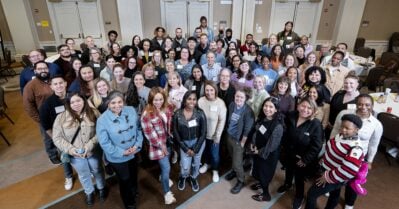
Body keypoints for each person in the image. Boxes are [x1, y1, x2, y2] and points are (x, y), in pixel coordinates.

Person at [329, 94, 383, 209]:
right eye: (360, 104)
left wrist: (370, 161)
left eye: (367, 105)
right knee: (337, 177)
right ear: (356, 104)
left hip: (358, 158)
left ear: (372, 106)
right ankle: (333, 199)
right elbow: (334, 131)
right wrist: (330, 148)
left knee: (352, 182)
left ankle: (349, 203)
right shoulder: (344, 114)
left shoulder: (376, 124)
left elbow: (374, 144)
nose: (363, 107)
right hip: (339, 153)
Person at [53, 93, 106, 206]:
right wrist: (71, 150)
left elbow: (102, 130)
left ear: (84, 101)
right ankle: (89, 192)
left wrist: (89, 145)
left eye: (78, 101)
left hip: (93, 151)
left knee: (97, 170)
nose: (76, 104)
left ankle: (101, 188)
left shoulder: (94, 112)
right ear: (68, 104)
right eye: (72, 102)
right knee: (83, 173)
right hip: (75, 155)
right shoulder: (61, 117)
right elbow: (57, 138)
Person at [304, 114, 364, 209]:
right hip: (328, 170)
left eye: (347, 128)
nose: (343, 130)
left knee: (312, 194)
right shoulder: (341, 136)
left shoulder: (355, 148)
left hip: (335, 176)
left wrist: (328, 177)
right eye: (342, 126)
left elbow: (349, 170)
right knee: (334, 194)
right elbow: (331, 149)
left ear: (356, 130)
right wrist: (324, 159)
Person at [97, 91, 143, 209]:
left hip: (133, 152)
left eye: (120, 102)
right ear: (108, 103)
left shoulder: (131, 110)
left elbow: (138, 129)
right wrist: (122, 152)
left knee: (133, 175)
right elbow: (104, 143)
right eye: (113, 103)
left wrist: (137, 145)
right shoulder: (102, 120)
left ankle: (134, 191)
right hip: (117, 157)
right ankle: (129, 203)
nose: (117, 105)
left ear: (124, 101)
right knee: (124, 180)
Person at [278, 97, 323, 209]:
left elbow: (316, 146)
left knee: (299, 177)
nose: (305, 109)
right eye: (303, 106)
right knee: (288, 170)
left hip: (302, 158)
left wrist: (305, 159)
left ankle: (299, 196)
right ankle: (287, 184)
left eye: (309, 108)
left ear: (313, 111)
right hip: (288, 153)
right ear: (298, 106)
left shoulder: (316, 124)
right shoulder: (291, 115)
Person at [140, 87, 177, 205]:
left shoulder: (168, 107)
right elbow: (150, 135)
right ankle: (167, 193)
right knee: (166, 168)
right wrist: (162, 146)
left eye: (161, 99)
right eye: (155, 100)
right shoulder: (147, 114)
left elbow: (171, 122)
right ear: (150, 100)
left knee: (168, 163)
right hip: (159, 145)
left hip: (169, 141)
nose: (158, 102)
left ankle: (162, 176)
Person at [39, 75, 74, 190]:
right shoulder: (47, 104)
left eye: (61, 83)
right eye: (55, 84)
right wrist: (55, 138)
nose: (59, 86)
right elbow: (45, 125)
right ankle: (68, 176)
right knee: (65, 157)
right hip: (61, 136)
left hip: (77, 133)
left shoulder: (74, 96)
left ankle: (86, 170)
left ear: (65, 83)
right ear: (51, 87)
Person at [248, 97, 284, 201]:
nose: (267, 109)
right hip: (258, 151)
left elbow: (271, 146)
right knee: (258, 171)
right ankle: (260, 184)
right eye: (266, 106)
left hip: (268, 155)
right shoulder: (263, 118)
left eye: (271, 107)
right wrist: (253, 143)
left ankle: (265, 195)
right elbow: (256, 132)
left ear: (276, 109)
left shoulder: (278, 126)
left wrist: (258, 151)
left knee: (264, 174)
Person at [173, 91, 207, 192]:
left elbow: (203, 133)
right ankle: (183, 177)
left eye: (194, 99)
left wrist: (195, 149)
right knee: (185, 165)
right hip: (184, 143)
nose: (191, 101)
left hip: (198, 143)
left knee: (196, 163)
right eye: (189, 99)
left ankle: (193, 177)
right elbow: (175, 132)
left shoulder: (200, 113)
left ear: (196, 101)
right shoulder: (177, 113)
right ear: (185, 100)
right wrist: (185, 148)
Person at [224, 88, 255, 194]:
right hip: (229, 136)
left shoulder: (248, 111)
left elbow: (247, 129)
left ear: (245, 98)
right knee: (232, 157)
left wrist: (242, 142)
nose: (239, 98)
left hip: (239, 140)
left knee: (237, 163)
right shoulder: (232, 105)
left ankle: (241, 180)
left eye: (241, 97)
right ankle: (234, 171)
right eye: (237, 96)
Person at [198, 81, 227, 182]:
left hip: (214, 135)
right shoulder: (201, 101)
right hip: (202, 135)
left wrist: (217, 136)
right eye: (207, 90)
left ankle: (215, 170)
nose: (209, 92)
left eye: (211, 90)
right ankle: (207, 164)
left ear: (215, 90)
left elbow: (221, 121)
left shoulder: (220, 103)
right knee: (206, 152)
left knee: (215, 155)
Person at [327, 74, 360, 139]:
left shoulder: (359, 100)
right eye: (346, 83)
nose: (348, 85)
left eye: (351, 83)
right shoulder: (339, 93)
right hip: (330, 126)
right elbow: (330, 107)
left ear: (357, 85)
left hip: (344, 131)